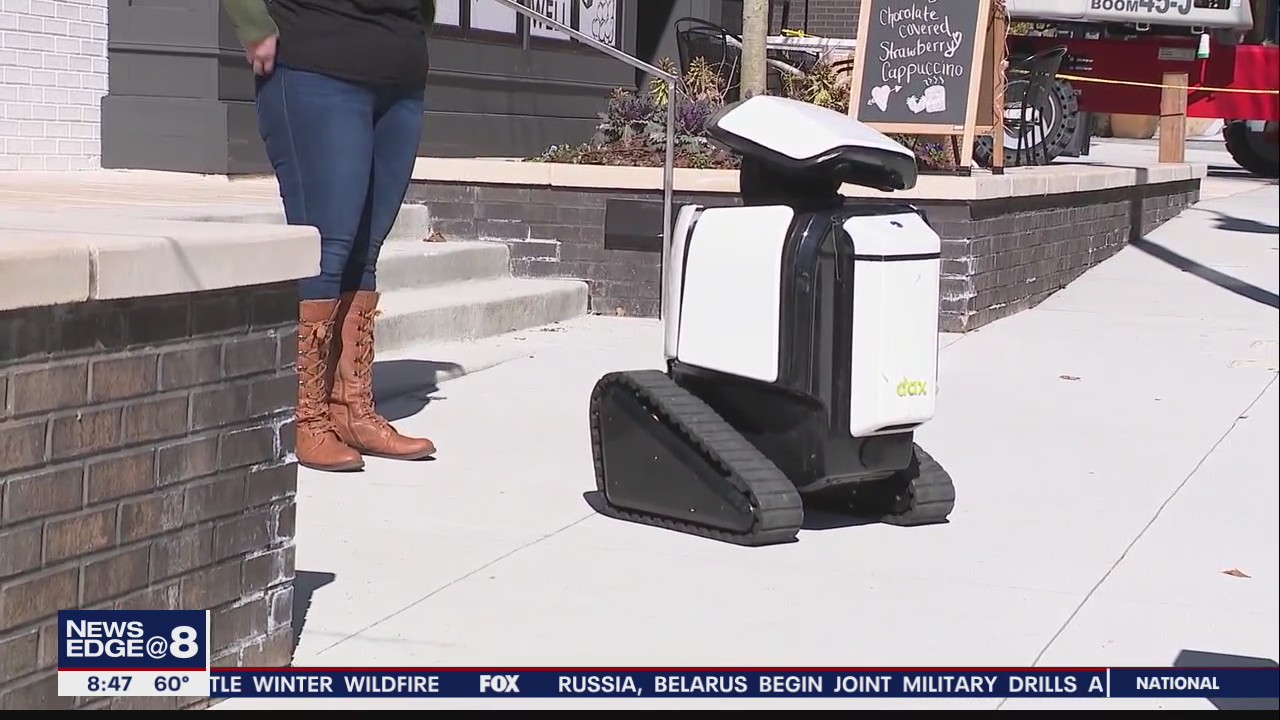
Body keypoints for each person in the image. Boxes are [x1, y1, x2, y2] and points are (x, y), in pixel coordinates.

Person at [225, 0, 438, 472]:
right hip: (315, 60)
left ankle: (351, 408)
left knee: (366, 248)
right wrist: (252, 22)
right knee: (325, 245)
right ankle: (308, 415)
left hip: (398, 71)